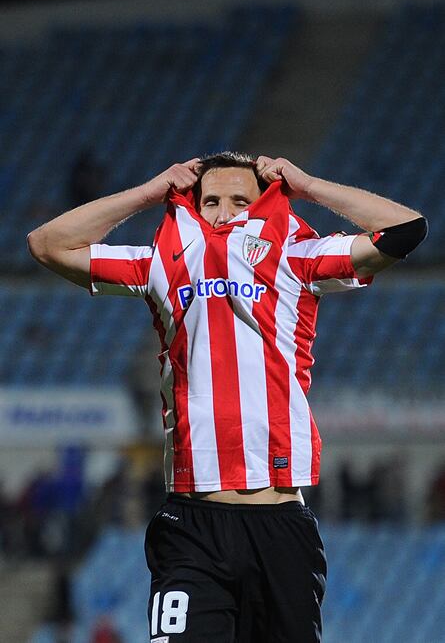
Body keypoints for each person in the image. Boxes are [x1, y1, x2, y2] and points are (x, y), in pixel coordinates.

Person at [27, 152, 427, 642]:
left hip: (280, 525)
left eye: (241, 200)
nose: (223, 212)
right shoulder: (160, 266)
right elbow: (46, 244)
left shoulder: (296, 259)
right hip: (192, 526)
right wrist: (149, 193)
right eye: (210, 201)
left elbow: (406, 229)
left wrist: (307, 187)